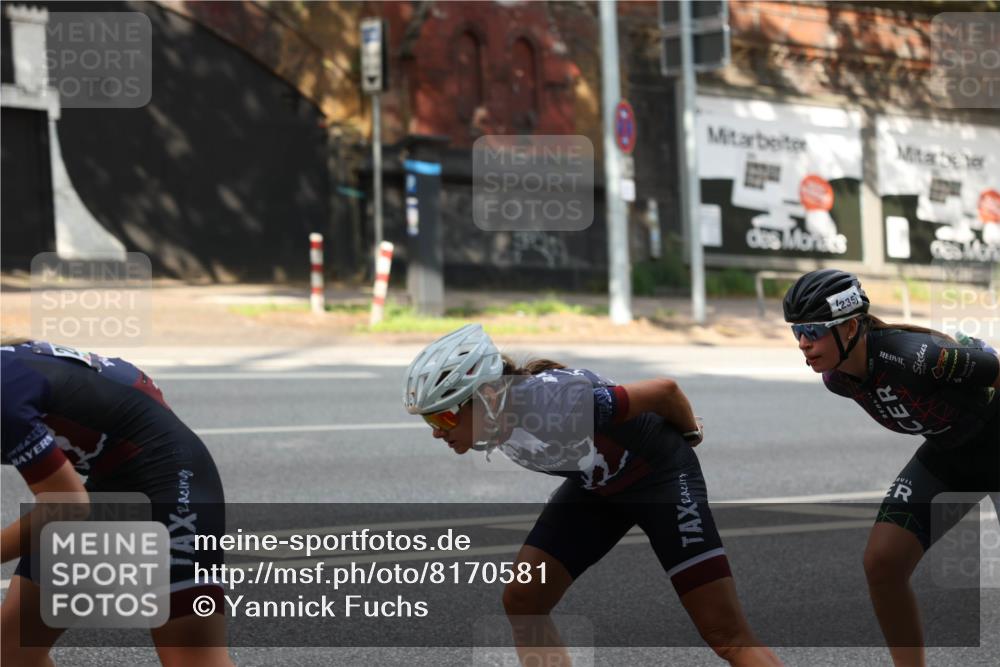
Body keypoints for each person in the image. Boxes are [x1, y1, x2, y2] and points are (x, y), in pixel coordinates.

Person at [403, 324, 782, 666]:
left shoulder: (553, 405)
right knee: (524, 600)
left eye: (445, 417)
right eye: (430, 420)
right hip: (600, 486)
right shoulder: (496, 416)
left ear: (485, 396)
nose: (438, 431)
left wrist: (689, 437)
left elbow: (665, 391)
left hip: (660, 478)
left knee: (726, 637)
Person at [783, 270, 1000, 667]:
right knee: (882, 564)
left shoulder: (917, 356)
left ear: (849, 327)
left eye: (813, 330)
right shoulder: (838, 379)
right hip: (950, 453)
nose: (803, 343)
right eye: (797, 331)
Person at [1, 339, 234, 667]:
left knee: (191, 658)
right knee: (13, 651)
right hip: (113, 480)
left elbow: (68, 507)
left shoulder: (4, 391)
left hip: (171, 481)